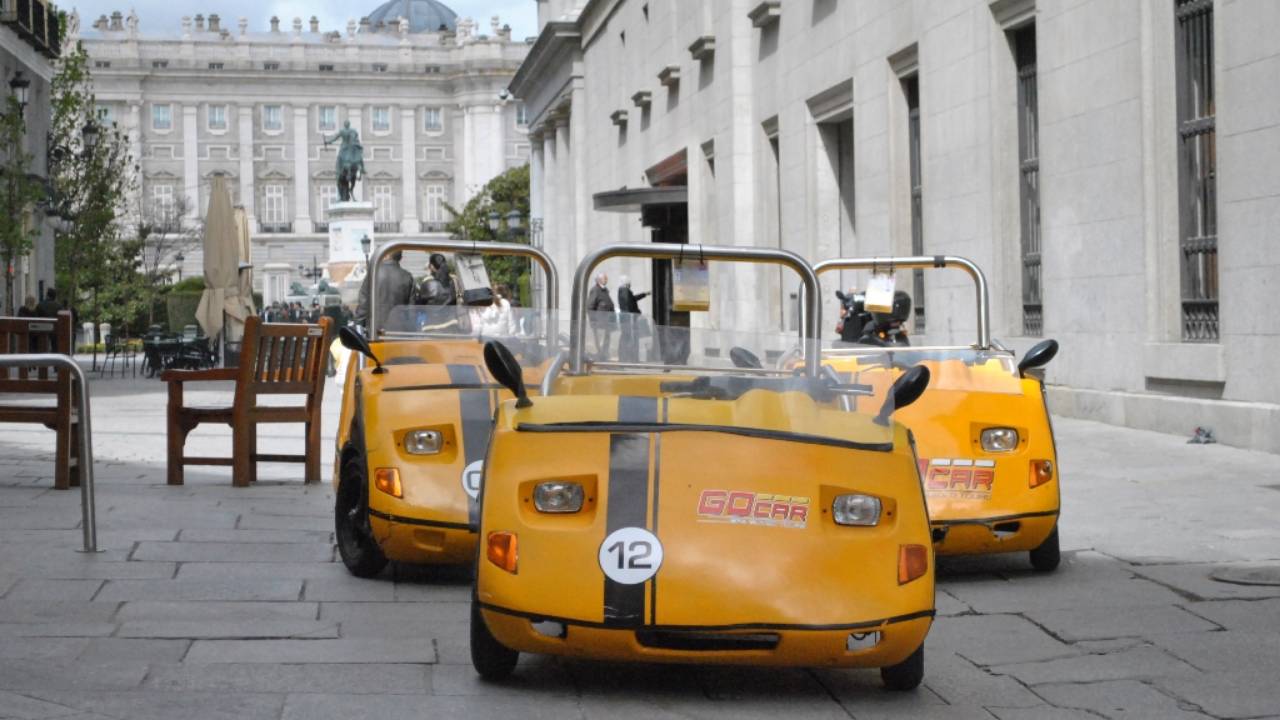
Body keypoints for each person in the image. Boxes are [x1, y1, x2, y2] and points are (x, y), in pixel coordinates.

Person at [355, 250, 414, 333]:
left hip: (375, 330)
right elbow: (411, 309)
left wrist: (358, 325)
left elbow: (363, 304)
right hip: (399, 331)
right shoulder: (407, 276)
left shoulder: (373, 274)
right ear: (400, 258)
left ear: (386, 256)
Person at [616, 275, 649, 363]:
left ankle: (628, 358)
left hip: (628, 318)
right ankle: (630, 359)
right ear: (626, 283)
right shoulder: (624, 290)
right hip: (629, 319)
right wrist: (637, 313)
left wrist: (644, 294)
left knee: (627, 338)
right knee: (629, 338)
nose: (630, 284)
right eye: (629, 282)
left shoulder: (623, 290)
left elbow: (632, 299)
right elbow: (629, 305)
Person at [587, 273, 615, 357]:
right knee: (600, 342)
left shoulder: (605, 290)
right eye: (604, 278)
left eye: (606, 278)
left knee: (605, 342)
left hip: (607, 322)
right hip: (599, 323)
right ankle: (599, 357)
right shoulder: (595, 290)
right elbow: (590, 306)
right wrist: (593, 321)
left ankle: (603, 357)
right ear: (599, 280)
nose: (606, 280)